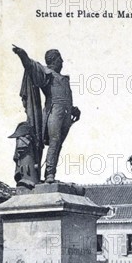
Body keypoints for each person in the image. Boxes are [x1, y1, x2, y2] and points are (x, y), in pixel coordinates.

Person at [11, 45, 81, 184]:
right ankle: (49, 174)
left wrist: (73, 109)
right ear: (54, 60)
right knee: (54, 141)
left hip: (66, 113)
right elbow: (31, 66)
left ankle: (51, 172)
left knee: (59, 143)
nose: (62, 61)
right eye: (60, 59)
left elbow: (64, 96)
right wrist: (22, 54)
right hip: (53, 110)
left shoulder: (63, 78)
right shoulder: (46, 73)